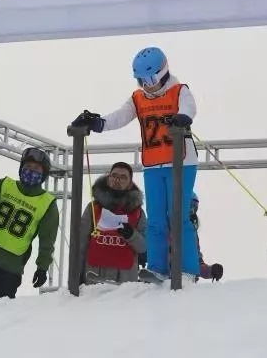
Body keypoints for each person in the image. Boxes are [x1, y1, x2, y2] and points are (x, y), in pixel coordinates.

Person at [72, 46, 200, 284]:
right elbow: (119, 117)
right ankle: (157, 267)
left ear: (163, 72)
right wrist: (98, 123)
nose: (146, 85)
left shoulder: (179, 91)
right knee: (156, 219)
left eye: (149, 79)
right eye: (140, 80)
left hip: (180, 162)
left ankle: (188, 269)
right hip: (152, 163)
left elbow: (189, 107)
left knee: (177, 216)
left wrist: (183, 117)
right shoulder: (138, 98)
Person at [0, 147, 59, 299]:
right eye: (28, 166)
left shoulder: (48, 204)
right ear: (21, 168)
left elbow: (47, 240)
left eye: (37, 168)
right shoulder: (4, 185)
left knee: (0, 310)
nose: (31, 171)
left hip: (10, 266)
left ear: (44, 174)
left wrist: (42, 267)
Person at [79, 162, 147, 285]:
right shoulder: (93, 208)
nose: (117, 180)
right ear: (108, 178)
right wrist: (76, 277)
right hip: (94, 279)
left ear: (130, 184)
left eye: (123, 177)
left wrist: (132, 235)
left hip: (125, 284)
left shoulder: (138, 213)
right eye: (114, 175)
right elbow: (80, 244)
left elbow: (145, 247)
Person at [189, 193, 224, 282]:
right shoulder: (167, 227)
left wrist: (211, 271)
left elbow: (197, 264)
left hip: (186, 282)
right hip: (167, 281)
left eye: (194, 208)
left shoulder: (192, 234)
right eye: (189, 207)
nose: (192, 211)